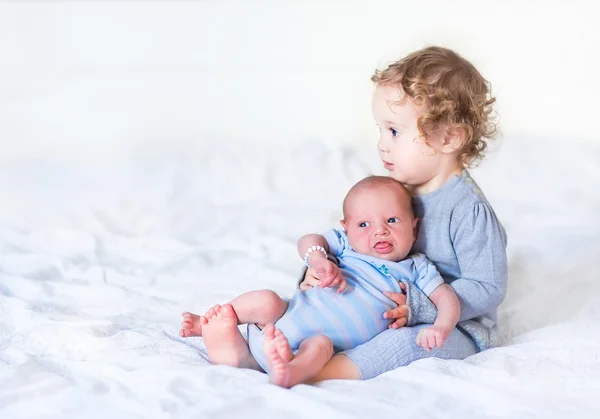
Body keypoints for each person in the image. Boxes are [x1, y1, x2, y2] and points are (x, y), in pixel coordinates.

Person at [293, 45, 508, 382]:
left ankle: (322, 373)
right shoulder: (398, 188)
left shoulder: (468, 211)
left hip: (451, 325)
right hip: (386, 301)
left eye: (394, 131)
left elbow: (487, 286)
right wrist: (321, 268)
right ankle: (273, 349)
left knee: (404, 344)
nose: (381, 143)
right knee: (330, 310)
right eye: (380, 129)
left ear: (449, 138)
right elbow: (355, 240)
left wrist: (421, 307)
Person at [180, 176, 460, 388]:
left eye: (392, 220)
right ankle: (213, 322)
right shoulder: (345, 247)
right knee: (266, 300)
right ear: (345, 227)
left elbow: (446, 298)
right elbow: (308, 241)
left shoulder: (416, 267)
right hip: (281, 318)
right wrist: (318, 260)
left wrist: (441, 326)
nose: (380, 231)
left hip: (311, 348)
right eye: (364, 225)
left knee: (321, 345)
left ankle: (286, 371)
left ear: (414, 225)